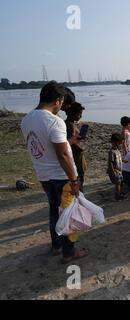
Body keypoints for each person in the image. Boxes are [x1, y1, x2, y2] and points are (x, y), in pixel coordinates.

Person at [21, 81, 87, 264]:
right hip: (61, 177)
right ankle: (69, 252)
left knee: (54, 212)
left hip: (43, 175)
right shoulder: (53, 121)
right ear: (58, 100)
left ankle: (56, 245)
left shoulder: (26, 120)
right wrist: (74, 180)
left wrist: (68, 142)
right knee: (67, 214)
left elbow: (43, 146)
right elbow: (62, 154)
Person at [65, 102, 87, 192]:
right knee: (80, 174)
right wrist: (81, 149)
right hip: (76, 155)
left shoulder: (67, 123)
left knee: (78, 173)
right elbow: (72, 142)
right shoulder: (70, 125)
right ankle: (79, 192)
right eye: (79, 114)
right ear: (73, 114)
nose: (80, 116)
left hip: (73, 154)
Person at [107, 133, 127, 201]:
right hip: (116, 171)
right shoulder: (112, 152)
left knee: (121, 183)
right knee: (118, 184)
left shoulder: (117, 150)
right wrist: (113, 171)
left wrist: (123, 161)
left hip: (119, 170)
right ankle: (117, 196)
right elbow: (111, 163)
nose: (120, 145)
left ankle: (121, 193)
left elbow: (118, 159)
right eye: (119, 143)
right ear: (114, 142)